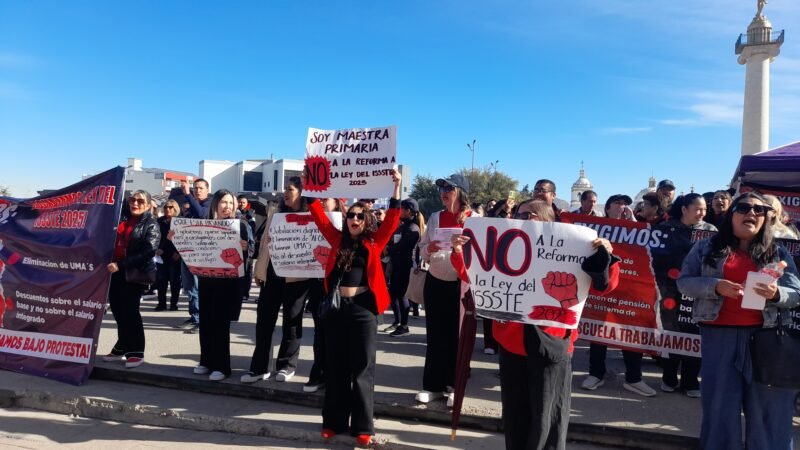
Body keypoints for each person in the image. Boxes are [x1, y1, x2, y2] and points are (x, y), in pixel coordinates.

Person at [452, 198, 620, 450]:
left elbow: (606, 286)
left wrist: (603, 255)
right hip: (511, 340)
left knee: (547, 416)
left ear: (545, 219)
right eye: (517, 214)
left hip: (552, 341)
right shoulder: (506, 243)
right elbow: (474, 275)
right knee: (515, 413)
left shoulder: (574, 243)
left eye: (528, 214)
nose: (520, 219)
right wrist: (459, 252)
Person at [677, 192, 800, 449]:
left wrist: (777, 294)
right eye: (744, 208)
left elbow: (796, 293)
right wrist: (716, 286)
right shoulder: (706, 248)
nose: (752, 214)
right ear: (732, 214)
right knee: (720, 410)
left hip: (765, 340)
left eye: (759, 210)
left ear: (767, 218)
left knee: (771, 413)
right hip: (719, 338)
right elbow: (684, 282)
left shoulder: (777, 253)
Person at [308, 169, 402, 447]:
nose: (355, 219)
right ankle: (333, 422)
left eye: (361, 216)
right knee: (335, 367)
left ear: (367, 220)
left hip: (364, 311)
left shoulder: (374, 242)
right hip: (337, 309)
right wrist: (310, 185)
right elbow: (317, 215)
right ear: (346, 218)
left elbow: (394, 219)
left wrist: (396, 188)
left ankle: (362, 426)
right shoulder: (336, 238)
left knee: (362, 369)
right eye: (352, 215)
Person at [583, 193, 657, 396]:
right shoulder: (593, 229)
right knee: (598, 329)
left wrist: (634, 223)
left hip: (631, 292)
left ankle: (634, 378)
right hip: (604, 289)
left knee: (631, 332)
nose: (623, 206)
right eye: (617, 203)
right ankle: (596, 373)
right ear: (606, 208)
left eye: (626, 203)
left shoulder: (641, 228)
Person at [244, 177, 313, 384]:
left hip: (296, 279)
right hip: (272, 277)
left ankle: (286, 365)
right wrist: (260, 271)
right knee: (264, 323)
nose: (285, 193)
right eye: (285, 189)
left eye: (290, 189)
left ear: (301, 192)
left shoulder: (309, 217)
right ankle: (260, 367)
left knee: (292, 323)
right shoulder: (276, 214)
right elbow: (265, 244)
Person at [416, 173, 471, 406]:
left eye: (449, 189)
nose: (444, 194)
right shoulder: (436, 217)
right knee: (435, 335)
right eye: (441, 190)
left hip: (461, 284)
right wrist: (430, 246)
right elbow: (422, 250)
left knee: (456, 337)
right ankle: (432, 386)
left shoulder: (474, 219)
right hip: (436, 279)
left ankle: (453, 386)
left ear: (460, 192)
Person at [658, 193, 717, 398]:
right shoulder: (665, 229)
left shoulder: (711, 231)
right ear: (684, 209)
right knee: (671, 333)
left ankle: (691, 381)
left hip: (698, 291)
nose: (702, 213)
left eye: (704, 210)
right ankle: (669, 378)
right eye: (698, 209)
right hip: (669, 290)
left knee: (695, 335)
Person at [192, 189, 253, 381]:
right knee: (206, 321)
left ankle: (222, 366)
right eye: (223, 202)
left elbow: (250, 253)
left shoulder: (240, 225)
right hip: (206, 279)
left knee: (220, 323)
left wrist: (246, 248)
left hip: (228, 282)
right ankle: (206, 360)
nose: (227, 207)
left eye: (230, 203)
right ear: (216, 204)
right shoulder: (205, 225)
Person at [103, 190, 160, 369]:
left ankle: (136, 351)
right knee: (118, 311)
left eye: (140, 201)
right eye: (132, 200)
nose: (135, 203)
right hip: (115, 272)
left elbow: (148, 251)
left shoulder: (151, 224)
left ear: (149, 205)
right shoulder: (121, 219)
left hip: (134, 273)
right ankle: (122, 346)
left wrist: (121, 264)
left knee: (130, 312)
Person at [384, 198, 424, 337]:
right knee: (393, 294)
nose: (399, 211)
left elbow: (401, 246)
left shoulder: (413, 229)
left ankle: (404, 325)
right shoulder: (402, 227)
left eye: (401, 208)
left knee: (402, 295)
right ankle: (397, 322)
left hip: (406, 267)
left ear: (408, 211)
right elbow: (392, 241)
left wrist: (389, 249)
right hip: (396, 265)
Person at [177, 178, 211, 333]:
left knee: (198, 287)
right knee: (189, 287)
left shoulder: (209, 204)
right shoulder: (191, 205)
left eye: (200, 188)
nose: (197, 191)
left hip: (201, 254)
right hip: (187, 252)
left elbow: (202, 215)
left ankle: (202, 320)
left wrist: (188, 195)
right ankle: (194, 315)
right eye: (195, 188)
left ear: (207, 190)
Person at [155, 199, 182, 311]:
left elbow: (184, 239)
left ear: (175, 209)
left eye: (170, 207)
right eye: (166, 207)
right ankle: (161, 303)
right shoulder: (159, 221)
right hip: (161, 255)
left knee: (174, 281)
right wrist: (157, 249)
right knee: (161, 280)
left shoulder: (180, 221)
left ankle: (173, 304)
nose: (167, 209)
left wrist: (179, 253)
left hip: (175, 255)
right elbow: (156, 237)